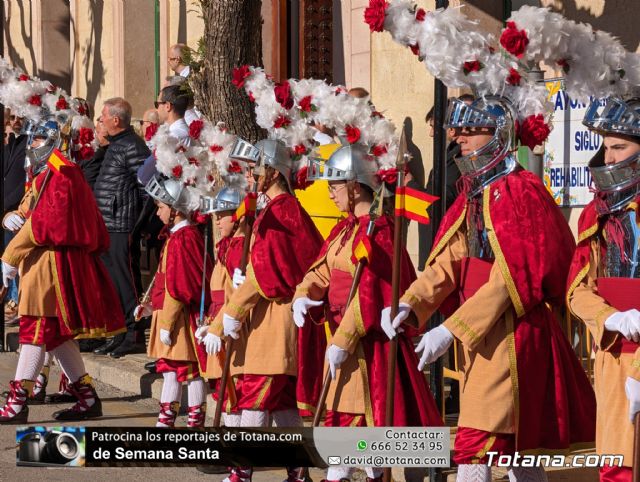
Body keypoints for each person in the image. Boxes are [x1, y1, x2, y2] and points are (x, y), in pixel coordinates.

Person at [381, 96, 596, 481]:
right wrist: (410, 304)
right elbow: (451, 260)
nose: (458, 138)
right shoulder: (473, 193)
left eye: (469, 131)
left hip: (513, 333)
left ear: (497, 134)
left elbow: (515, 273)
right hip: (481, 335)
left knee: (475, 444)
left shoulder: (520, 189)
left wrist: (451, 328)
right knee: (513, 451)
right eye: (457, 131)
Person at [293, 144, 443, 482]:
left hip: (371, 350)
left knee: (365, 435)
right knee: (342, 433)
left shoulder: (382, 232)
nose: (330, 193)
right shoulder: (344, 229)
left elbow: (370, 295)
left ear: (355, 187)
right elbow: (321, 270)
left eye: (334, 186)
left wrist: (343, 340)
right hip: (341, 346)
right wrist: (304, 294)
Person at [203, 138, 324, 482]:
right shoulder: (272, 209)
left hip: (274, 316)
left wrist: (233, 310)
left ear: (271, 171)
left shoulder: (283, 210)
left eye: (255, 169)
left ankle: (242, 471)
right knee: (281, 404)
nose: (250, 174)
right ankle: (299, 471)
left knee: (256, 396)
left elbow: (266, 272)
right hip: (267, 314)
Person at [0, 114, 125, 423]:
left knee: (35, 329)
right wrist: (10, 218)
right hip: (40, 262)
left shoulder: (62, 173)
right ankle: (87, 397)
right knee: (56, 336)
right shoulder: (47, 173)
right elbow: (30, 211)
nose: (33, 145)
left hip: (50, 264)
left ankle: (18, 401)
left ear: (55, 142)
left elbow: (45, 225)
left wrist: (10, 255)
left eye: (39, 139)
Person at [567, 96, 640, 480]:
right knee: (615, 467)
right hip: (613, 356)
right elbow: (578, 289)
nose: (609, 159)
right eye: (605, 147)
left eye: (620, 147)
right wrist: (610, 317)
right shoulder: (597, 213)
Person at [134, 174, 212, 428]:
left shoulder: (183, 239)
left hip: (179, 318)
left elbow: (179, 288)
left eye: (161, 207)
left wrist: (166, 323)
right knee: (171, 369)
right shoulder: (177, 237)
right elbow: (164, 278)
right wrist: (148, 306)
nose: (157, 213)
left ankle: (192, 423)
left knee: (189, 370)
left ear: (175, 211)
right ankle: (167, 422)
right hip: (169, 314)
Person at [92, 97, 151, 358]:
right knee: (114, 284)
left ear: (116, 120)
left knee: (127, 283)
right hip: (108, 225)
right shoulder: (116, 145)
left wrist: (139, 226)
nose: (101, 121)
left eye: (103, 116)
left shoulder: (133, 146)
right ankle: (118, 333)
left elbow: (146, 188)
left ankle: (133, 333)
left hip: (122, 225)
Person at [199, 186, 248, 425]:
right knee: (221, 387)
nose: (217, 222)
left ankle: (237, 457)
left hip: (230, 327)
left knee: (231, 390)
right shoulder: (226, 245)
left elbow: (235, 296)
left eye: (222, 215)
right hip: (218, 323)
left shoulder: (239, 247)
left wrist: (218, 326)